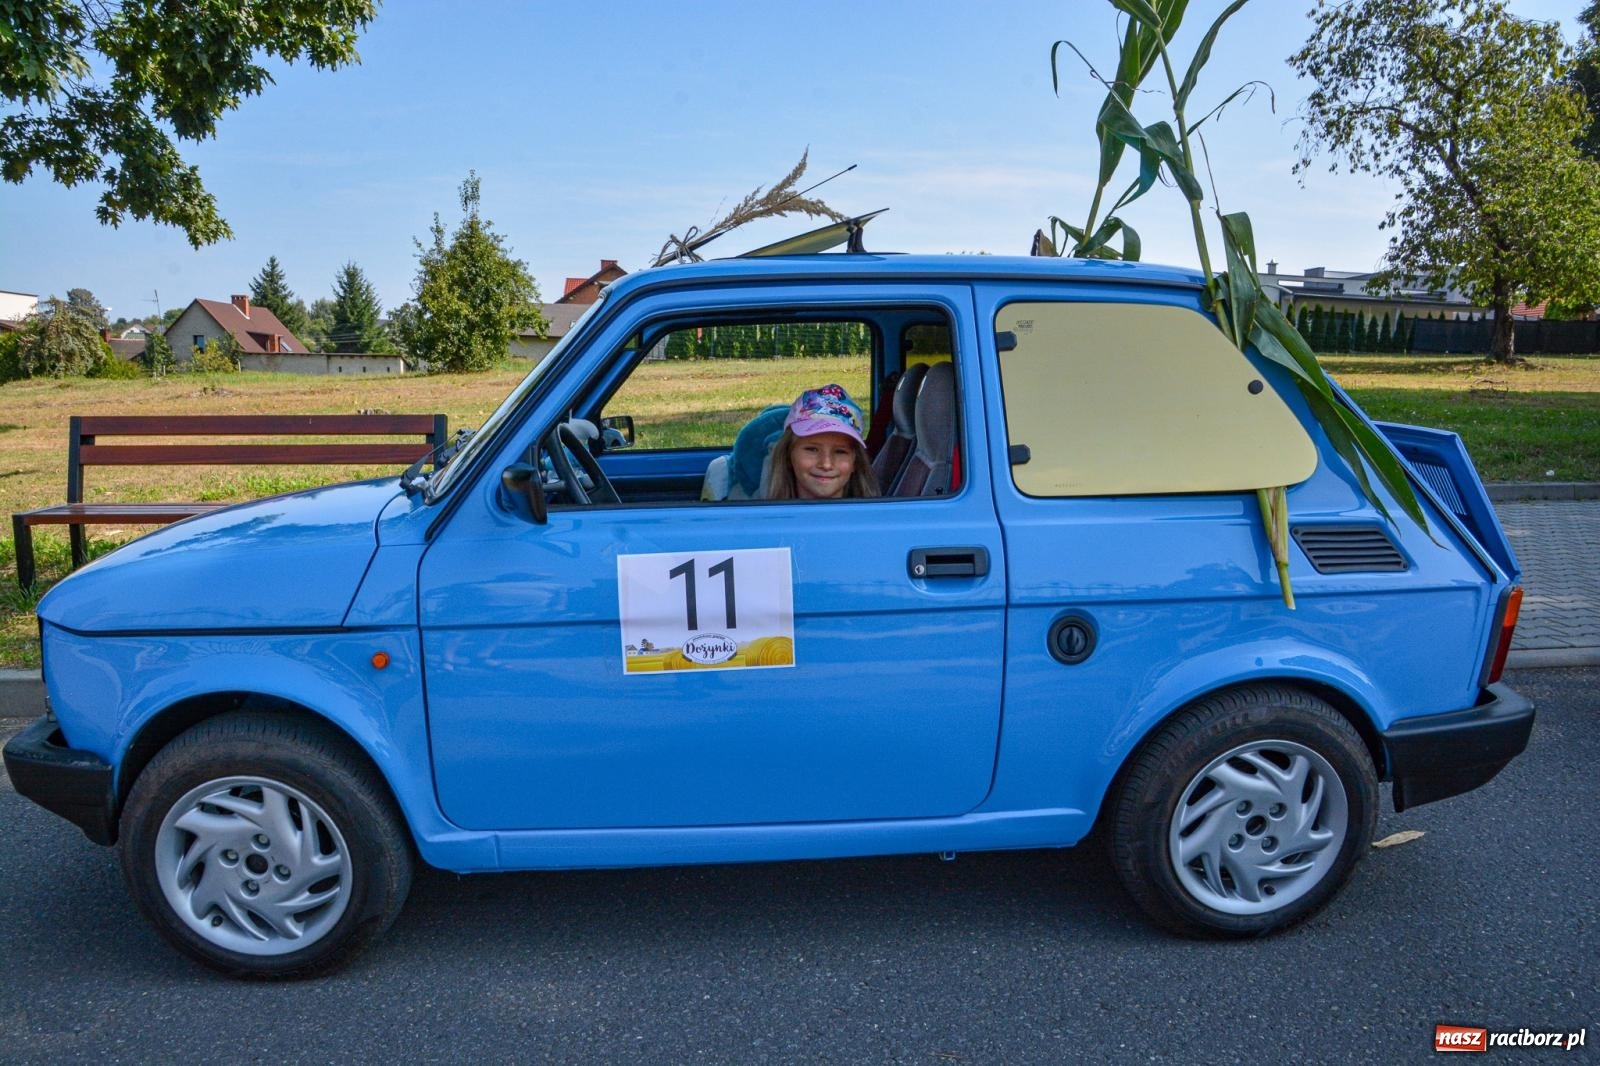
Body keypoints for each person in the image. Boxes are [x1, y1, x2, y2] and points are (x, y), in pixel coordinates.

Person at [763, 384, 881, 500]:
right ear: (788, 455)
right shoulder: (762, 516)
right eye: (812, 449)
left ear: (855, 461)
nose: (826, 464)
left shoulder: (873, 518)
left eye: (840, 452)